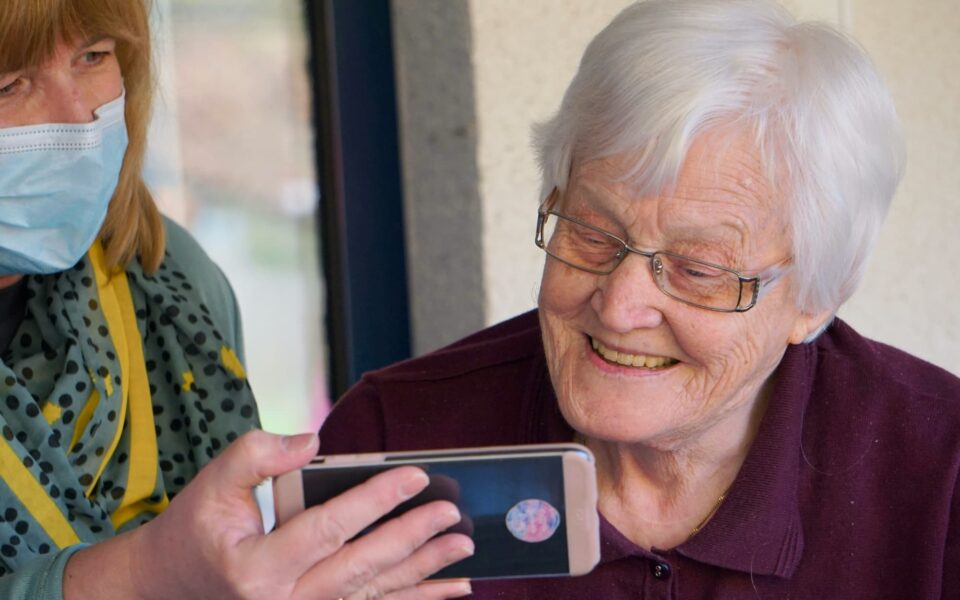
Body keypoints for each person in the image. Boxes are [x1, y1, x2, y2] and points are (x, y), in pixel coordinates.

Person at [318, 0, 960, 597]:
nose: (619, 307)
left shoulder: (941, 475)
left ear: (815, 301)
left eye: (698, 268)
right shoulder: (396, 440)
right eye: (592, 233)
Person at [0, 1, 474, 598]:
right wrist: (143, 573)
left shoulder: (167, 279)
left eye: (94, 56)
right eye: (9, 85)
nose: (79, 117)